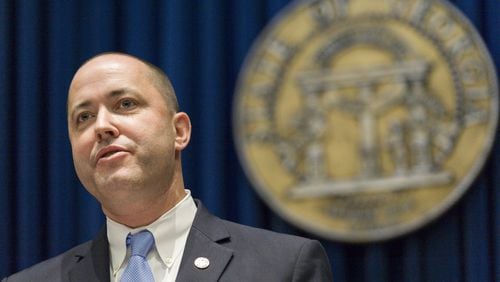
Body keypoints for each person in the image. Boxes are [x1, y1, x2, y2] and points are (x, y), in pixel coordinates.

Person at [2, 52, 333, 281]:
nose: (101, 125)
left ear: (179, 131)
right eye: (83, 117)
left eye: (125, 104)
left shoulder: (283, 267)